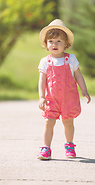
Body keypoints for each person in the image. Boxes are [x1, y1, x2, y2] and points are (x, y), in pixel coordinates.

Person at [37, 19, 91, 160]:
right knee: (48, 122)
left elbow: (78, 75)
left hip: (68, 99)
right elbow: (42, 80)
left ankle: (69, 145)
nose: (54, 44)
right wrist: (42, 97)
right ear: (46, 43)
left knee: (68, 122)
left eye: (58, 41)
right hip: (51, 99)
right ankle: (46, 149)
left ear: (66, 44)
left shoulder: (71, 59)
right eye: (51, 41)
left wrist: (84, 90)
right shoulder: (45, 61)